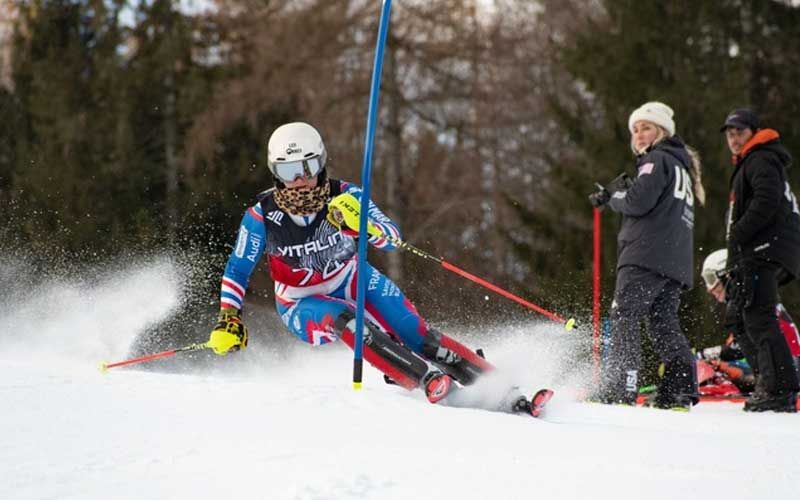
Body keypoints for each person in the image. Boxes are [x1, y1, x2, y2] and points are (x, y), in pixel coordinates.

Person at [203, 121, 540, 414]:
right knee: (350, 323)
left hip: (353, 278)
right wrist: (229, 317)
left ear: (321, 162)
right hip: (301, 302)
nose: (301, 180)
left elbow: (393, 239)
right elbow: (237, 270)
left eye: (308, 167)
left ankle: (504, 391)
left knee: (417, 334)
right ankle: (426, 379)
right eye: (290, 172)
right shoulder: (262, 216)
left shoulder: (346, 196)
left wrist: (360, 226)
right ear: (276, 173)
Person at [589, 102, 704, 410]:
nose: (639, 135)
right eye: (636, 129)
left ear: (662, 132)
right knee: (662, 322)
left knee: (625, 315)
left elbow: (638, 202)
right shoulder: (680, 166)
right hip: (673, 260)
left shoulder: (656, 160)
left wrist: (612, 197)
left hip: (645, 255)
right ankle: (679, 390)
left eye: (646, 128)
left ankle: (620, 389)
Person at [719, 107, 800, 412]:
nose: (733, 139)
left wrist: (739, 233)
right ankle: (768, 382)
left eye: (739, 132)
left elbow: (767, 199)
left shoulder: (761, 158)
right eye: (729, 133)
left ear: (753, 131)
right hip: (759, 250)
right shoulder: (752, 161)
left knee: (758, 316)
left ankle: (780, 389)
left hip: (764, 248)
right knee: (738, 316)